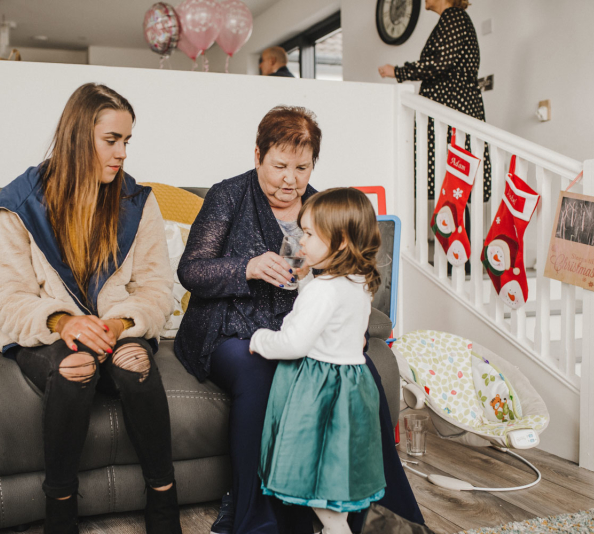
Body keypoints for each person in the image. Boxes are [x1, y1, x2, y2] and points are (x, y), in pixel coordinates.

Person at [174, 106, 423, 534]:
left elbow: (349, 282)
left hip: (300, 328)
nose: (290, 179)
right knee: (260, 375)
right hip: (229, 329)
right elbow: (191, 271)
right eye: (280, 166)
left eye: (302, 167)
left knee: (361, 374)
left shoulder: (322, 209)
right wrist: (246, 267)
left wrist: (348, 332)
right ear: (258, 156)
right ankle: (253, 514)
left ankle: (385, 514)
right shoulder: (228, 196)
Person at [0, 83, 179, 534]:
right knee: (76, 368)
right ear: (77, 136)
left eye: (127, 141)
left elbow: (156, 289)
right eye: (112, 140)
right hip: (50, 336)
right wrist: (63, 321)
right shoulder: (18, 203)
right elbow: (7, 298)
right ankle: (60, 510)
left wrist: (120, 323)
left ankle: (164, 503)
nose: (122, 153)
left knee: (136, 363)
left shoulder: (138, 202)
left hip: (117, 330)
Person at [252, 188, 387, 534]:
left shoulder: (323, 291)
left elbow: (294, 342)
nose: (301, 241)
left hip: (319, 389)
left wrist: (259, 340)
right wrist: (305, 281)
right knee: (336, 470)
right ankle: (337, 527)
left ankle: (335, 530)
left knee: (311, 471)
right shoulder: (357, 282)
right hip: (353, 384)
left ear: (340, 242)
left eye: (309, 234)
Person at [378, 0, 491, 220]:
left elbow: (440, 63)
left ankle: (459, 248)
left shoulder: (454, 18)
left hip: (453, 110)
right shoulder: (452, 20)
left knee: (457, 176)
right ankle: (456, 245)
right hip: (452, 110)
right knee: (454, 180)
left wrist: (399, 72)